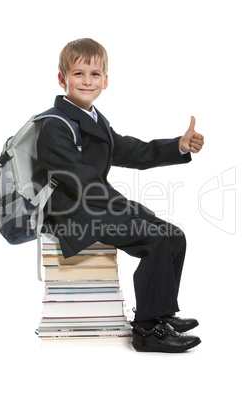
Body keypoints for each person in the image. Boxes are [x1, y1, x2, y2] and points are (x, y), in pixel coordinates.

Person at [33, 38, 204, 352]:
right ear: (62, 80)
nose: (87, 81)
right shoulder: (54, 126)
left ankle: (160, 311)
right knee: (154, 238)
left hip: (95, 204)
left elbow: (132, 151)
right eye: (78, 74)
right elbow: (81, 182)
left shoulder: (93, 118)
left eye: (95, 74)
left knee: (174, 236)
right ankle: (147, 332)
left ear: (105, 80)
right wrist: (126, 208)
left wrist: (178, 145)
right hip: (71, 214)